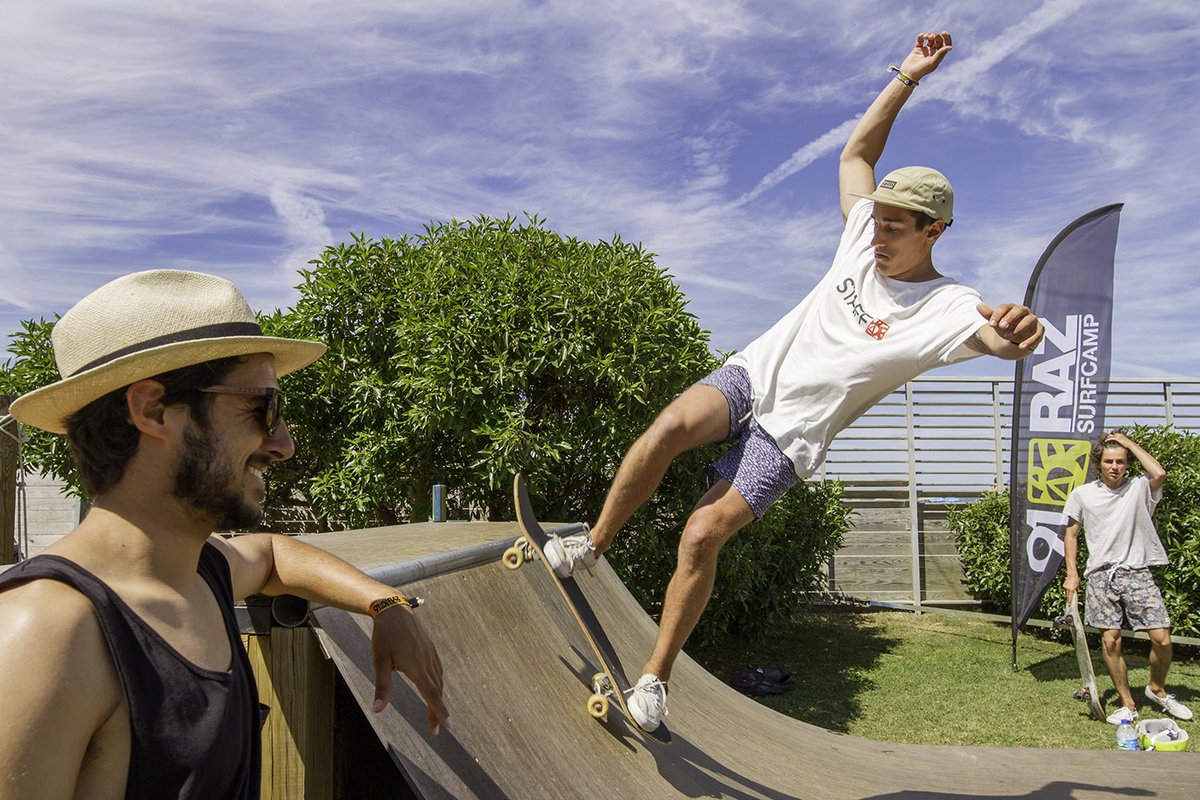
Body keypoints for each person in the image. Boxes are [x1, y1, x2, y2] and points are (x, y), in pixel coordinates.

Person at [542, 31, 1046, 733]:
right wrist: (908, 75)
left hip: (794, 435)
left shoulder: (950, 306)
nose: (877, 236)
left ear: (934, 232)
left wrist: (1016, 336)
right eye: (877, 222)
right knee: (664, 430)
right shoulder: (862, 229)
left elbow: (996, 339)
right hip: (756, 373)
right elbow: (857, 155)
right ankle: (593, 545)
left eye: (896, 229)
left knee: (698, 537)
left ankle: (654, 681)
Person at [0, 269, 449, 799]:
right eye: (263, 409)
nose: (283, 444)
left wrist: (385, 604)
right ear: (153, 410)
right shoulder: (47, 632)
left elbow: (272, 554)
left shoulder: (201, 572)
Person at [1063, 430, 1193, 725]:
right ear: (1099, 464)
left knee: (1162, 639)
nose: (1115, 466)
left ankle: (1156, 689)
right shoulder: (1083, 494)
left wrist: (1129, 443)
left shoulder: (1139, 488)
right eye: (1109, 461)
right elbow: (1071, 533)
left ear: (1128, 463)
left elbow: (1159, 472)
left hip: (1137, 572)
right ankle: (1128, 704)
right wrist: (1072, 575)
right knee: (1110, 642)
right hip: (1100, 575)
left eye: (1121, 461)